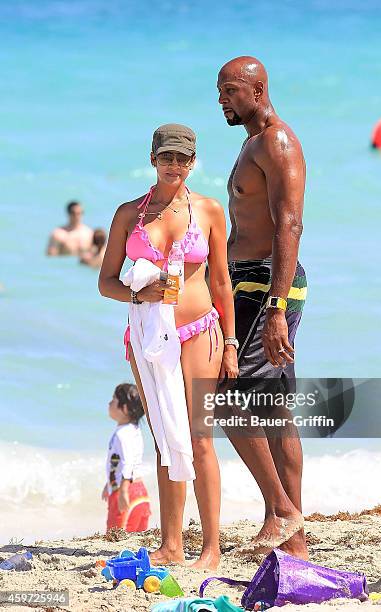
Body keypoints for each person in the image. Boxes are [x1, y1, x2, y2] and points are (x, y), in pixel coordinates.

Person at [98, 124, 238, 569]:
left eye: (183, 158)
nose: (174, 165)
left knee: (199, 438)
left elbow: (220, 281)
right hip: (146, 337)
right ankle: (172, 543)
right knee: (163, 438)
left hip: (199, 332)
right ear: (153, 158)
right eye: (166, 157)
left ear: (193, 162)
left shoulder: (210, 210)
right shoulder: (129, 214)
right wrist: (140, 294)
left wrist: (231, 343)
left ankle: (212, 548)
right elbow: (106, 283)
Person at [217, 57, 308, 559]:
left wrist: (275, 307)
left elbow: (288, 224)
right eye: (219, 92)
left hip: (266, 284)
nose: (222, 100)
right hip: (248, 282)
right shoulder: (252, 142)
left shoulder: (277, 140)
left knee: (227, 398)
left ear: (257, 88)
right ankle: (297, 549)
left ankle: (281, 510)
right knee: (276, 414)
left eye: (230, 90)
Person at [102, 383, 151, 533]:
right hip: (140, 491)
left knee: (116, 536)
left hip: (126, 491)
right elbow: (117, 462)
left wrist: (123, 489)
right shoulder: (134, 431)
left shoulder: (122, 434)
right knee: (134, 538)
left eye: (114, 400)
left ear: (124, 409)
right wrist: (109, 484)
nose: (109, 403)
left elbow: (127, 462)